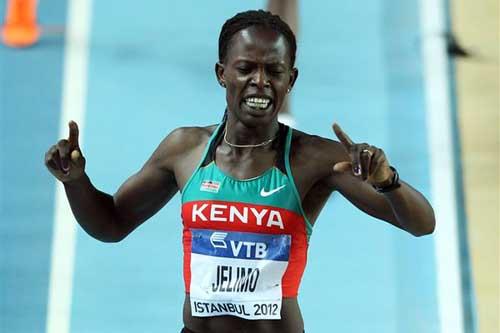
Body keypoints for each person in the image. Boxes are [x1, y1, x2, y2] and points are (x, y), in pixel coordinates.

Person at [44, 10, 435, 333]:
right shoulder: (185, 149)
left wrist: (387, 181)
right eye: (246, 68)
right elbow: (111, 224)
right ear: (221, 73)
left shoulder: (314, 158)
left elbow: (422, 224)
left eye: (274, 71)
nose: (260, 83)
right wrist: (75, 181)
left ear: (290, 79)